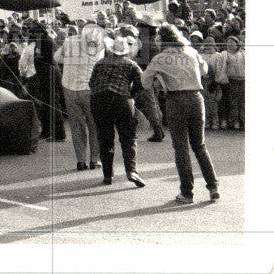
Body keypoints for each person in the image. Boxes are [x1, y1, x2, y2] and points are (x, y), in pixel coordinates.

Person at [141, 23, 219, 203]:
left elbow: (145, 82)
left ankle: (187, 192)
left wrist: (158, 77)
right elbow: (204, 70)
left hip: (176, 100)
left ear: (162, 39)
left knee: (181, 148)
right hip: (196, 97)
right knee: (200, 145)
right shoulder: (191, 51)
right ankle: (213, 186)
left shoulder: (160, 58)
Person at [88, 35, 146, 188]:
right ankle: (132, 171)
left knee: (105, 138)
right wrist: (130, 95)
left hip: (99, 99)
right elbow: (142, 82)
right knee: (128, 138)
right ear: (126, 52)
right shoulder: (131, 64)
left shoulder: (99, 64)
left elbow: (91, 83)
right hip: (121, 99)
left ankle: (108, 175)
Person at [54, 22, 104, 170]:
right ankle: (94, 159)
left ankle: (80, 160)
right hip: (88, 88)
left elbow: (56, 58)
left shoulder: (70, 41)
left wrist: (69, 61)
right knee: (94, 124)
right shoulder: (98, 47)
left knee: (76, 125)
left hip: (69, 86)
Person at [221, 36, 245, 131]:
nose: (230, 45)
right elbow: (223, 68)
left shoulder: (243, 53)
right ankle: (235, 121)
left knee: (243, 101)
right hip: (232, 80)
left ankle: (243, 120)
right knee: (233, 102)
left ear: (236, 44)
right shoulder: (225, 54)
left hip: (243, 80)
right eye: (228, 43)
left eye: (232, 42)